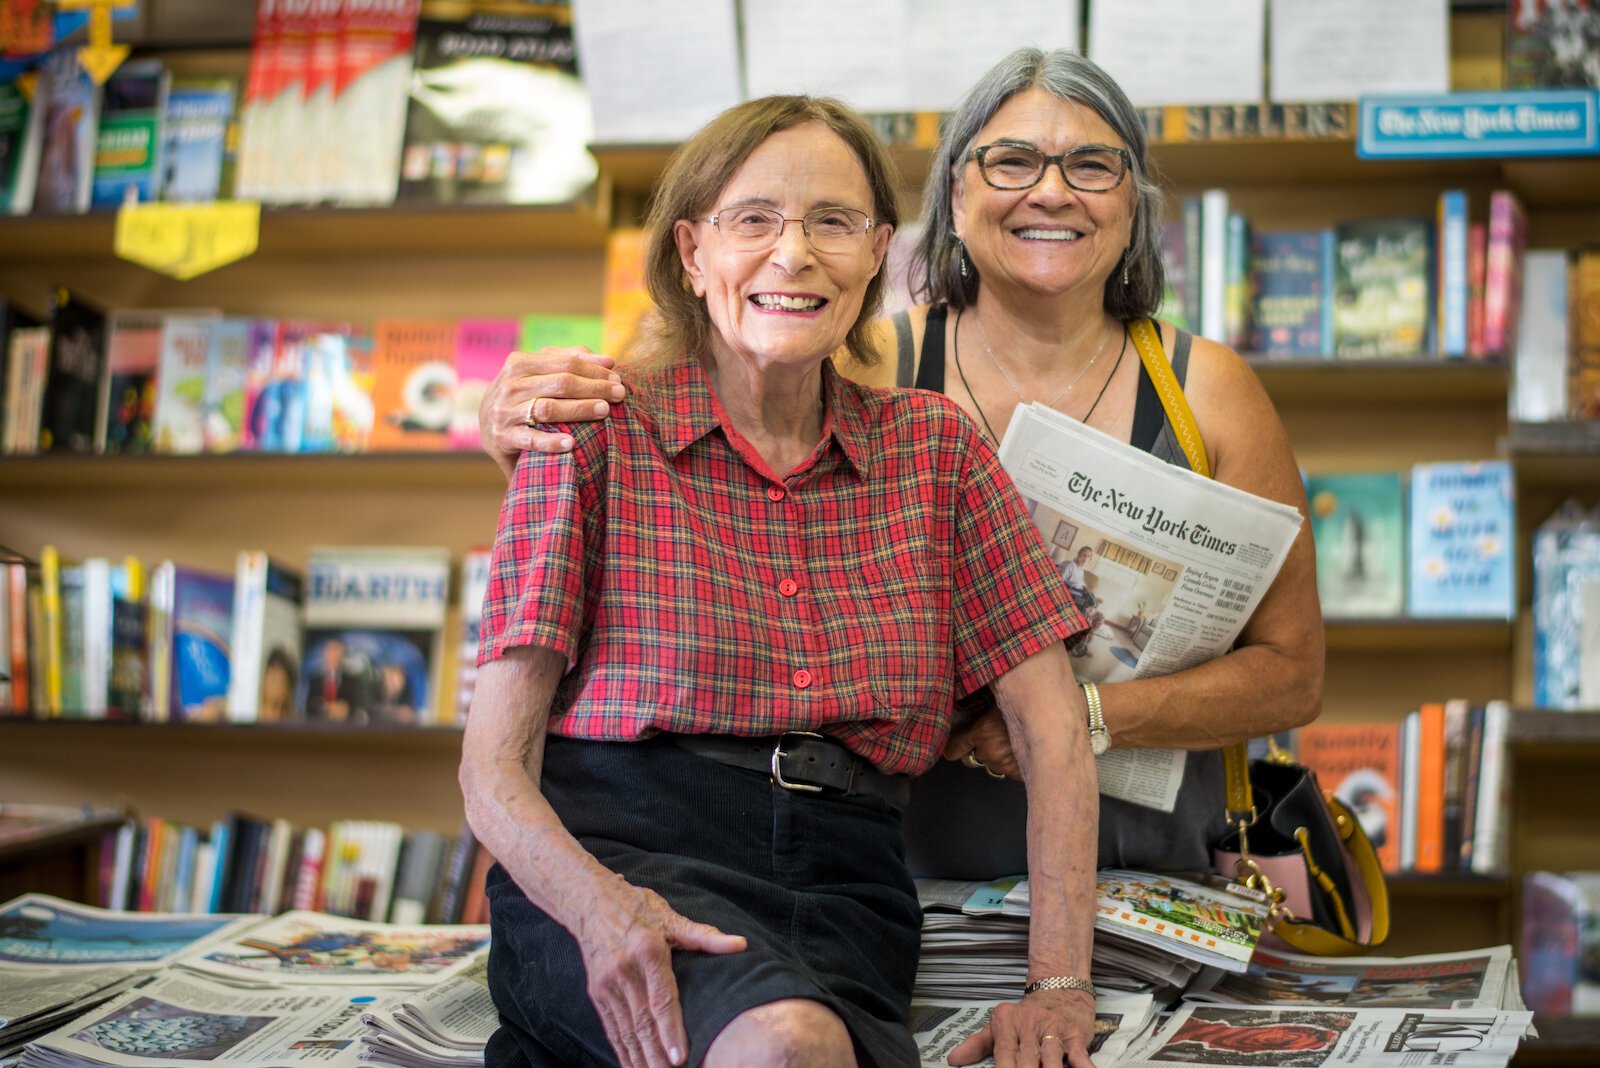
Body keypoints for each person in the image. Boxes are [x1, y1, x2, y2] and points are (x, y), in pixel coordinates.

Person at [476, 47, 1323, 876]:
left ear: (1133, 203)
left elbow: (1292, 675)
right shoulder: (861, 356)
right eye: (1013, 161)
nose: (1052, 191)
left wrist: (1086, 715)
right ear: (953, 195)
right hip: (903, 868)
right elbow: (668, 427)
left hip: (1149, 858)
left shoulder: (1208, 391)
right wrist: (514, 424)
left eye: (1092, 166)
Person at [461, 95, 1102, 1068]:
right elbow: (489, 770)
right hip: (618, 850)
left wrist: (1058, 987)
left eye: (832, 222)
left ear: (879, 255)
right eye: (752, 219)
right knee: (784, 1047)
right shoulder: (589, 432)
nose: (793, 254)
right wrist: (601, 910)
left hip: (848, 876)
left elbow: (1053, 734)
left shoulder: (938, 454)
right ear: (690, 253)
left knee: (799, 1044)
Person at [1056, 547, 1104, 657]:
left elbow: (1081, 587)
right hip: (1071, 598)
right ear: (1078, 554)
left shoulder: (1080, 569)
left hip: (1080, 598)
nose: (1085, 558)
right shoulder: (1070, 565)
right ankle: (1076, 647)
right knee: (1085, 620)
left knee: (1099, 616)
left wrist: (1089, 603)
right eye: (1084, 554)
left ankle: (1081, 644)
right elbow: (1060, 584)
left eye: (1088, 556)